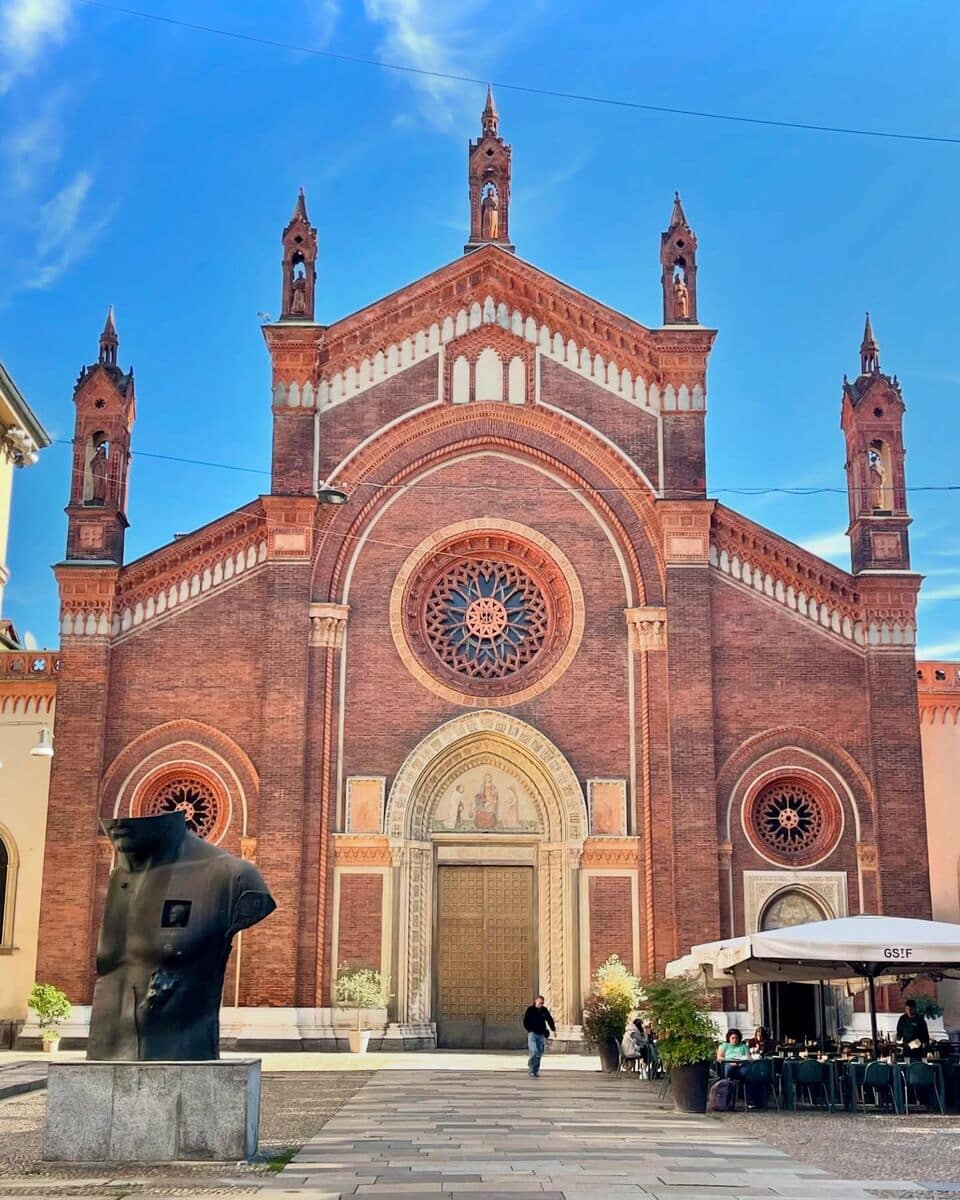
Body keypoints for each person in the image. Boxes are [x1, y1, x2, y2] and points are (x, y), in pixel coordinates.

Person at [522, 994, 556, 1077]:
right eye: (540, 1003)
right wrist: (529, 1029)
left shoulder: (544, 1010)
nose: (541, 1004)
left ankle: (536, 1070)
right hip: (532, 1034)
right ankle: (531, 1068)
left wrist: (553, 1030)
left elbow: (549, 1019)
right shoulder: (530, 1010)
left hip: (541, 1034)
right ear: (536, 1001)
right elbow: (525, 1021)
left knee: (539, 1053)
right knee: (534, 1051)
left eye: (542, 1003)